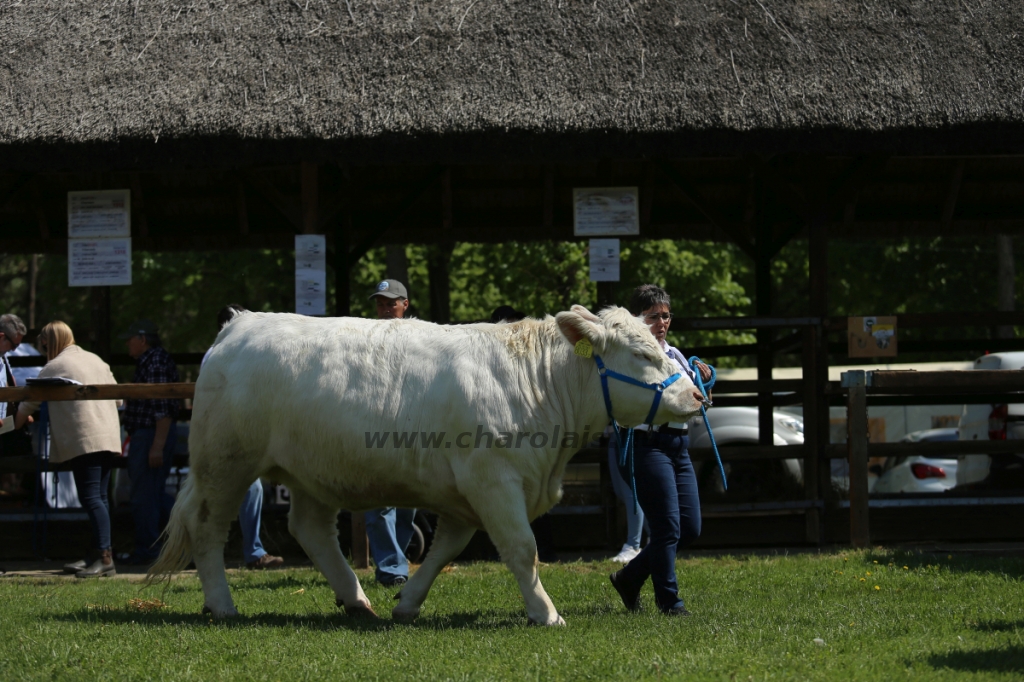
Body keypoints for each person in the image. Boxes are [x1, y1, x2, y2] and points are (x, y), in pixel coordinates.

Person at [608, 284, 712, 616]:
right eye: (654, 316)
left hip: (678, 446)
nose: (662, 322)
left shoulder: (676, 355)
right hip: (646, 444)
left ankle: (630, 577)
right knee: (667, 527)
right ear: (637, 320)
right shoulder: (631, 356)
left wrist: (704, 380)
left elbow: (697, 402)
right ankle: (670, 602)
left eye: (666, 315)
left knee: (689, 528)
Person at [14, 322, 122, 577]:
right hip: (107, 437)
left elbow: (27, 406)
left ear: (48, 343)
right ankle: (97, 552)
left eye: (43, 347)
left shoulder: (52, 368)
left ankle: (105, 558)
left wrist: (12, 424)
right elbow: (118, 398)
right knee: (101, 497)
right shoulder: (96, 360)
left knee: (91, 498)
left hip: (84, 439)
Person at [201, 304, 283, 570]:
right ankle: (244, 552)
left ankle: (250, 551)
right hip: (224, 434)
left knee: (248, 489)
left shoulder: (232, 353)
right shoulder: (220, 355)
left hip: (237, 433)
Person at [490, 305, 559, 563]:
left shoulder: (538, 351)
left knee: (538, 492)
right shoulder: (488, 360)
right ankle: (505, 552)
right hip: (502, 438)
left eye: (516, 325)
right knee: (503, 494)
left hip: (535, 434)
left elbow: (580, 350)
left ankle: (545, 552)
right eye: (507, 327)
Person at [364, 279, 418, 587]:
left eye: (391, 303)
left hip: (413, 426)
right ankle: (392, 568)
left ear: (404, 305)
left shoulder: (421, 337)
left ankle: (397, 557)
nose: (385, 309)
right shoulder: (365, 338)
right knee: (381, 498)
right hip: (377, 424)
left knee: (409, 500)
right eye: (381, 304)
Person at [119, 319, 180, 565]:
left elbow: (162, 408)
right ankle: (175, 542)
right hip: (149, 435)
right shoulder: (153, 359)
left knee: (144, 496)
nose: (127, 344)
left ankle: (150, 550)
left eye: (130, 338)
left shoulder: (154, 361)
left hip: (150, 435)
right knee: (153, 493)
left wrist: (157, 445)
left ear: (142, 339)